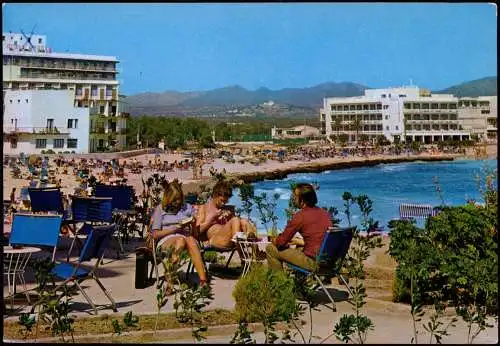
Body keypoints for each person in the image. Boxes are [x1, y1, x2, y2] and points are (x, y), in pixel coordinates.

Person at [147, 179, 207, 286]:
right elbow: (155, 234)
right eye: (175, 199)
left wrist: (193, 223)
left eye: (179, 199)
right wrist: (175, 228)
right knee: (180, 240)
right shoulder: (160, 209)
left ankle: (203, 281)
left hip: (186, 238)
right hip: (166, 240)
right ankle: (170, 281)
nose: (178, 202)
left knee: (191, 240)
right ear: (168, 198)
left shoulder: (187, 208)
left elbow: (196, 234)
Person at [266, 183, 332, 272]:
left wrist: (274, 240)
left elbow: (281, 242)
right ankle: (300, 283)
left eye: (295, 196)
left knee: (271, 248)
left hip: (314, 263)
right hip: (329, 261)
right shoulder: (325, 214)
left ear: (303, 200)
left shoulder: (301, 216)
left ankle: (279, 284)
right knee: (299, 248)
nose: (294, 199)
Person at [195, 179, 256, 249]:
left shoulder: (227, 209)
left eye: (226, 201)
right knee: (235, 220)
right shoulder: (204, 208)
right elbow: (197, 231)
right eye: (222, 200)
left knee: (244, 221)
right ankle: (241, 251)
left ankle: (254, 248)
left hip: (230, 238)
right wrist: (212, 219)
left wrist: (230, 216)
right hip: (216, 240)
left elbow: (236, 225)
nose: (223, 203)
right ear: (215, 195)